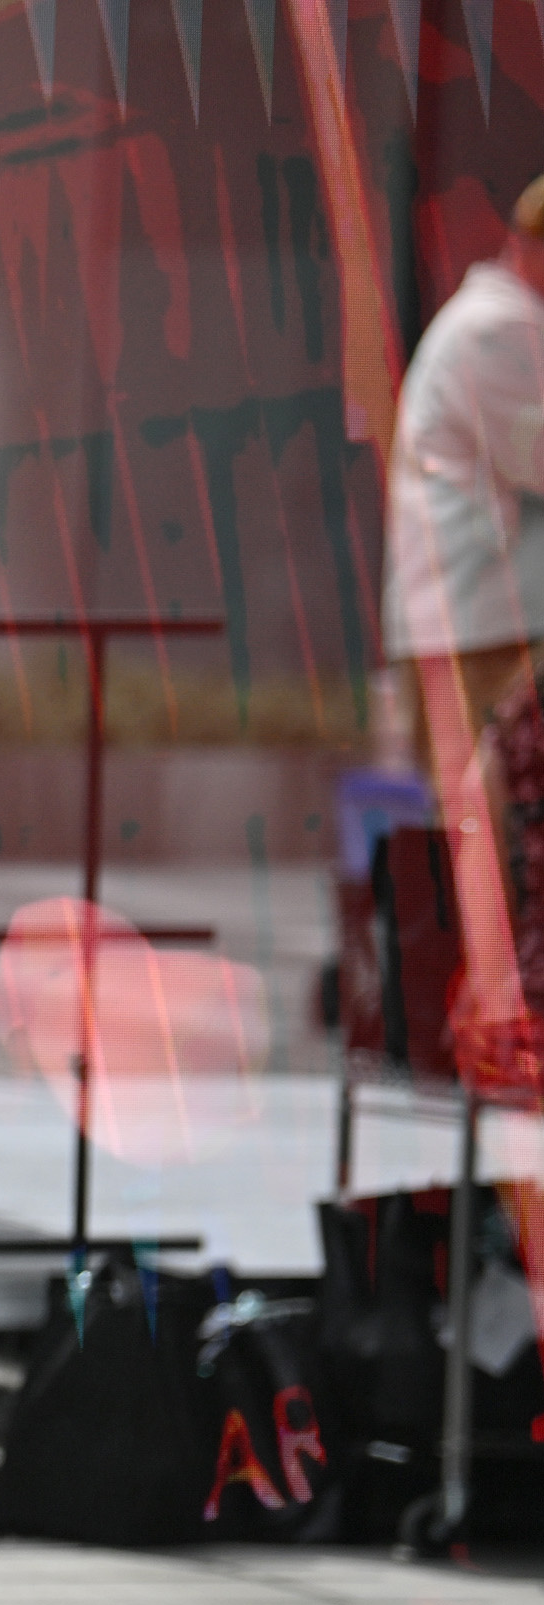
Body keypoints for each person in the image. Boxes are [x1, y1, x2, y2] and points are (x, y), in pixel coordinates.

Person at [387, 177, 544, 1065]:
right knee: (499, 826)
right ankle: (489, 1017)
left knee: (494, 826)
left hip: (481, 620)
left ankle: (486, 1012)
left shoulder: (501, 324)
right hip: (486, 624)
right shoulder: (499, 331)